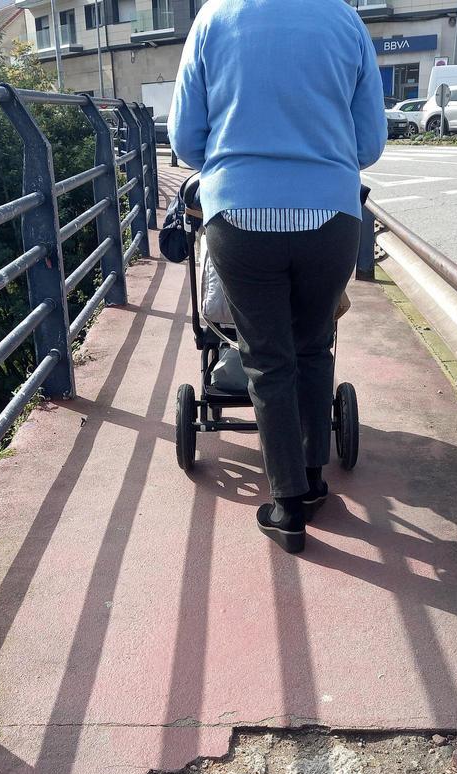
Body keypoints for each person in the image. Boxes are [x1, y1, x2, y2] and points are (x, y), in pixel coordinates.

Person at [168, 0, 386, 553]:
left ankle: (286, 506)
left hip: (240, 215)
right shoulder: (345, 19)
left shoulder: (213, 18)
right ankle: (313, 480)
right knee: (313, 346)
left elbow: (186, 140)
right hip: (331, 216)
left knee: (267, 358)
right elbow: (369, 144)